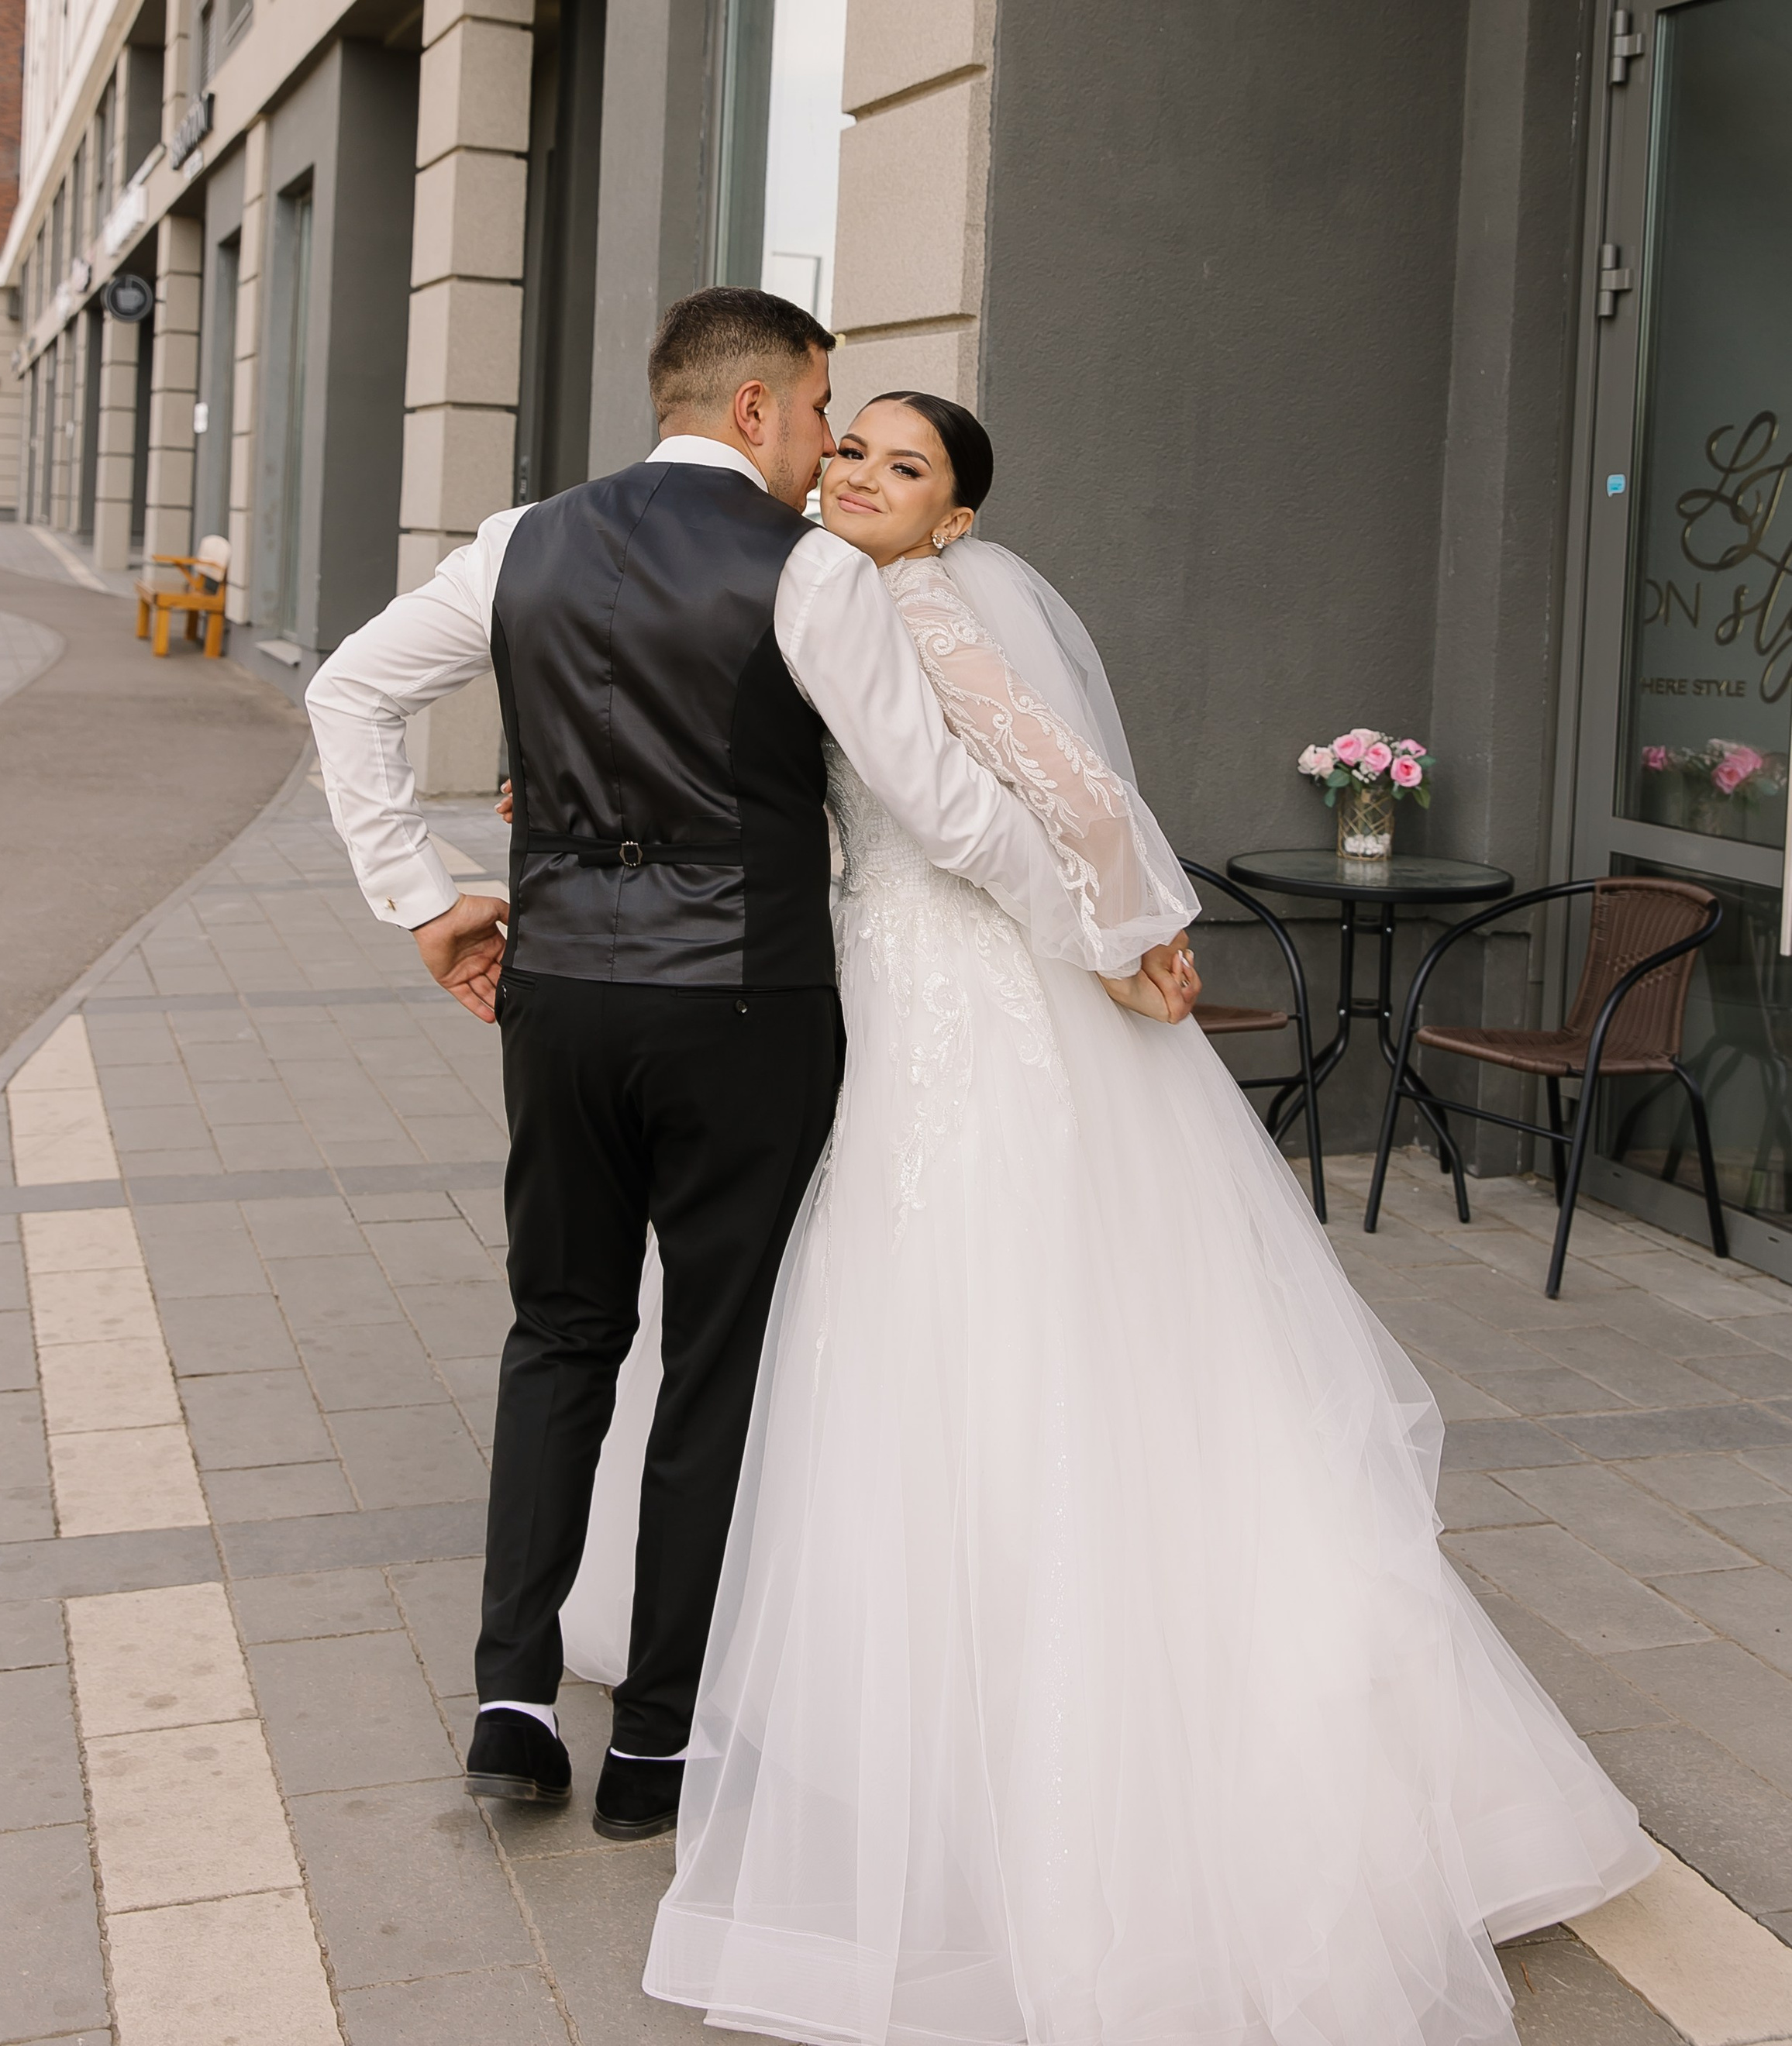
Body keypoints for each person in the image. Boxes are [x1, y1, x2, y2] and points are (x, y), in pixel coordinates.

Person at [567, 391, 1657, 2046]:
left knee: (963, 1313)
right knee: (893, 1312)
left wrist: (1131, 928)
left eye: (903, 467)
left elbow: (1052, 789)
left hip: (962, 996)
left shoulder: (907, 602)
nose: (858, 473)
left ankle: (996, 1726)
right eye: (847, 447)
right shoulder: (814, 588)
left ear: (954, 524)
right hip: (882, 985)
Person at [304, 291, 1187, 1843]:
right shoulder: (809, 577)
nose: (824, 454)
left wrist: (425, 895)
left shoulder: (518, 540)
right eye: (820, 411)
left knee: (558, 1333)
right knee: (715, 1358)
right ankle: (652, 1745)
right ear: (762, 407)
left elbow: (348, 691)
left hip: (562, 998)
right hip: (746, 1007)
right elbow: (941, 808)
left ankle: (510, 1700)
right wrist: (1094, 933)